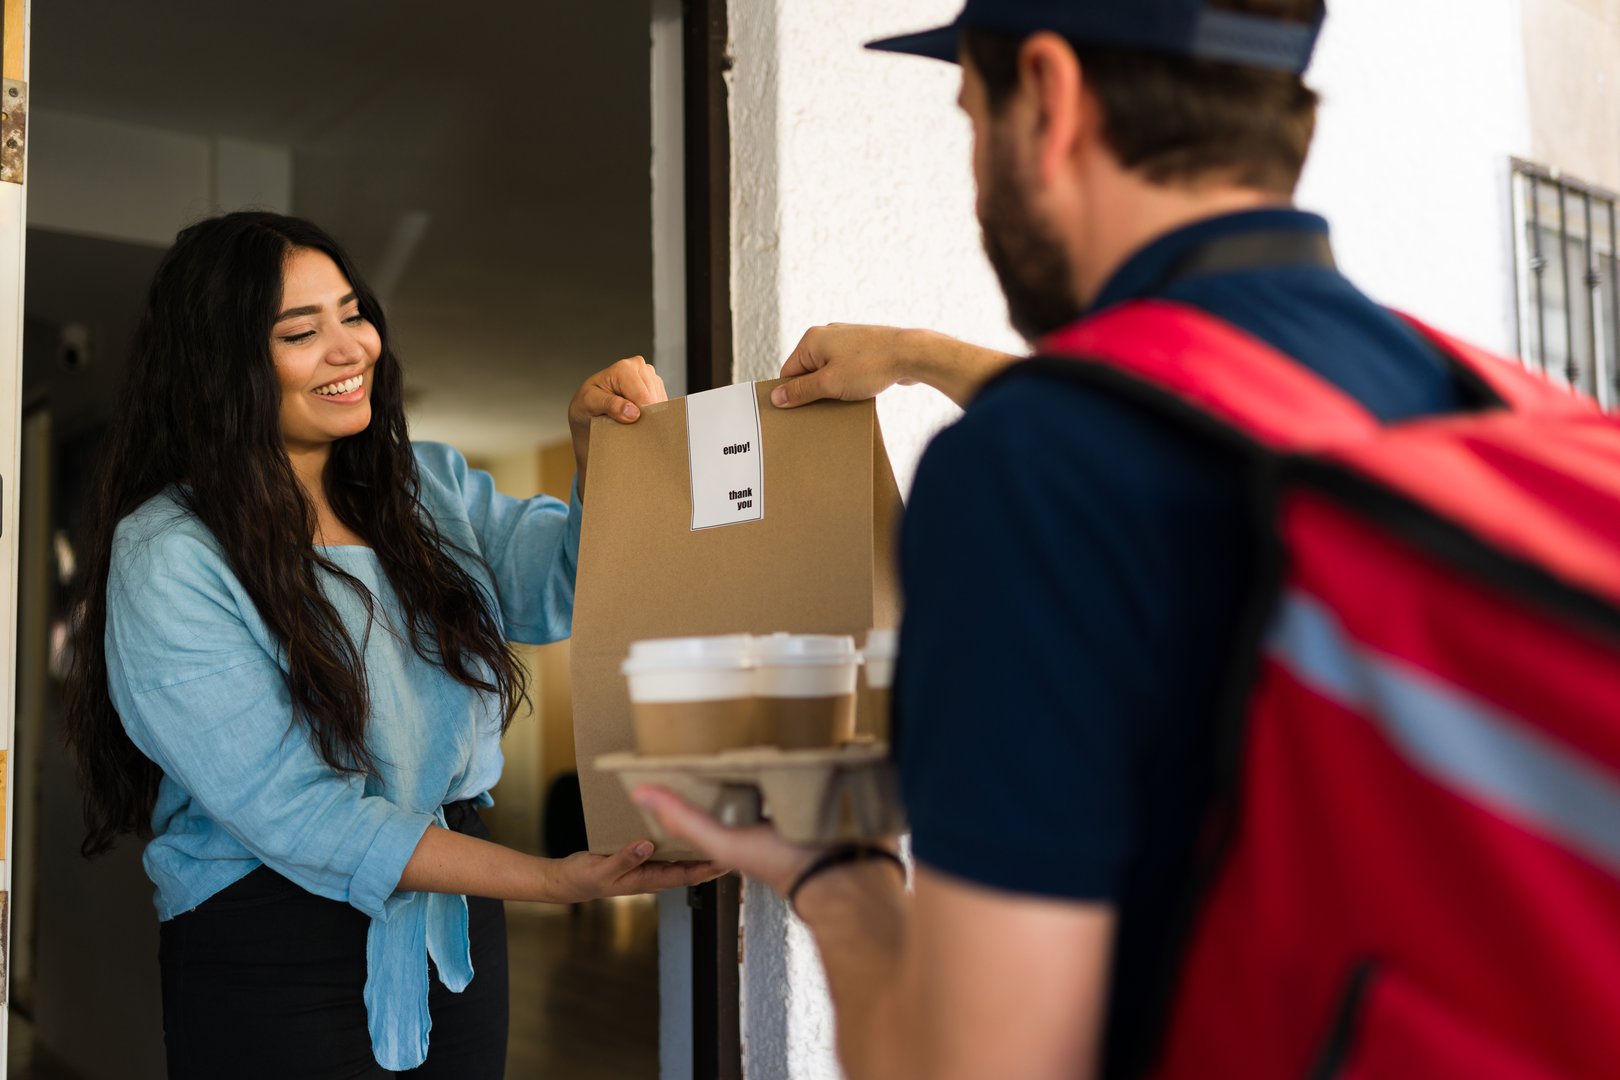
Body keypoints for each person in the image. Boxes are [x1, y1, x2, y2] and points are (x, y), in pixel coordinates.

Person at [635, 1, 1474, 1077]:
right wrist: (917, 354)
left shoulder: (1033, 472)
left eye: (974, 118)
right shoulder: (1454, 398)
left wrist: (829, 871)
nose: (978, 177)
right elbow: (1185, 421)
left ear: (1053, 93)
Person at [63, 211, 719, 1079]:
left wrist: (600, 458)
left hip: (454, 918)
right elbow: (297, 810)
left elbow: (564, 587)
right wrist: (553, 880)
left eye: (352, 312)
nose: (349, 348)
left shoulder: (425, 485)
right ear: (222, 369)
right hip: (272, 941)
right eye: (301, 331)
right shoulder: (173, 551)